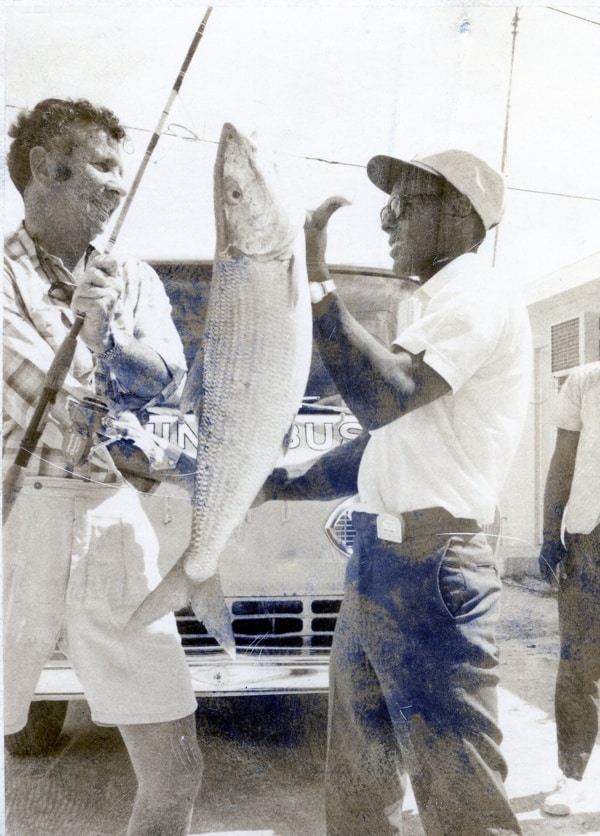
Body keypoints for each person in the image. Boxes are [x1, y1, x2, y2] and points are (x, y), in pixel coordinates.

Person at [262, 149, 532, 834]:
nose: (388, 222)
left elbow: (387, 397)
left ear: (462, 215)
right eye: (386, 208)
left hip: (435, 568)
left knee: (463, 800)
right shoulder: (433, 307)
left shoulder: (478, 295)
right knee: (358, 792)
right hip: (378, 565)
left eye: (404, 205)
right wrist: (278, 485)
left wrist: (318, 282)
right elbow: (381, 446)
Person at [3, 98, 203, 835]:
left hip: (115, 517)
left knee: (176, 770)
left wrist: (101, 337)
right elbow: (57, 404)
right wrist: (117, 371)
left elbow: (170, 383)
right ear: (43, 169)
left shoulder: (136, 278)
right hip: (17, 514)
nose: (119, 186)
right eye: (104, 166)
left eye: (124, 169)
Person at [538, 360, 600, 816]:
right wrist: (548, 534)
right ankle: (571, 777)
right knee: (578, 663)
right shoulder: (585, 380)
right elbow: (564, 459)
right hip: (589, 537)